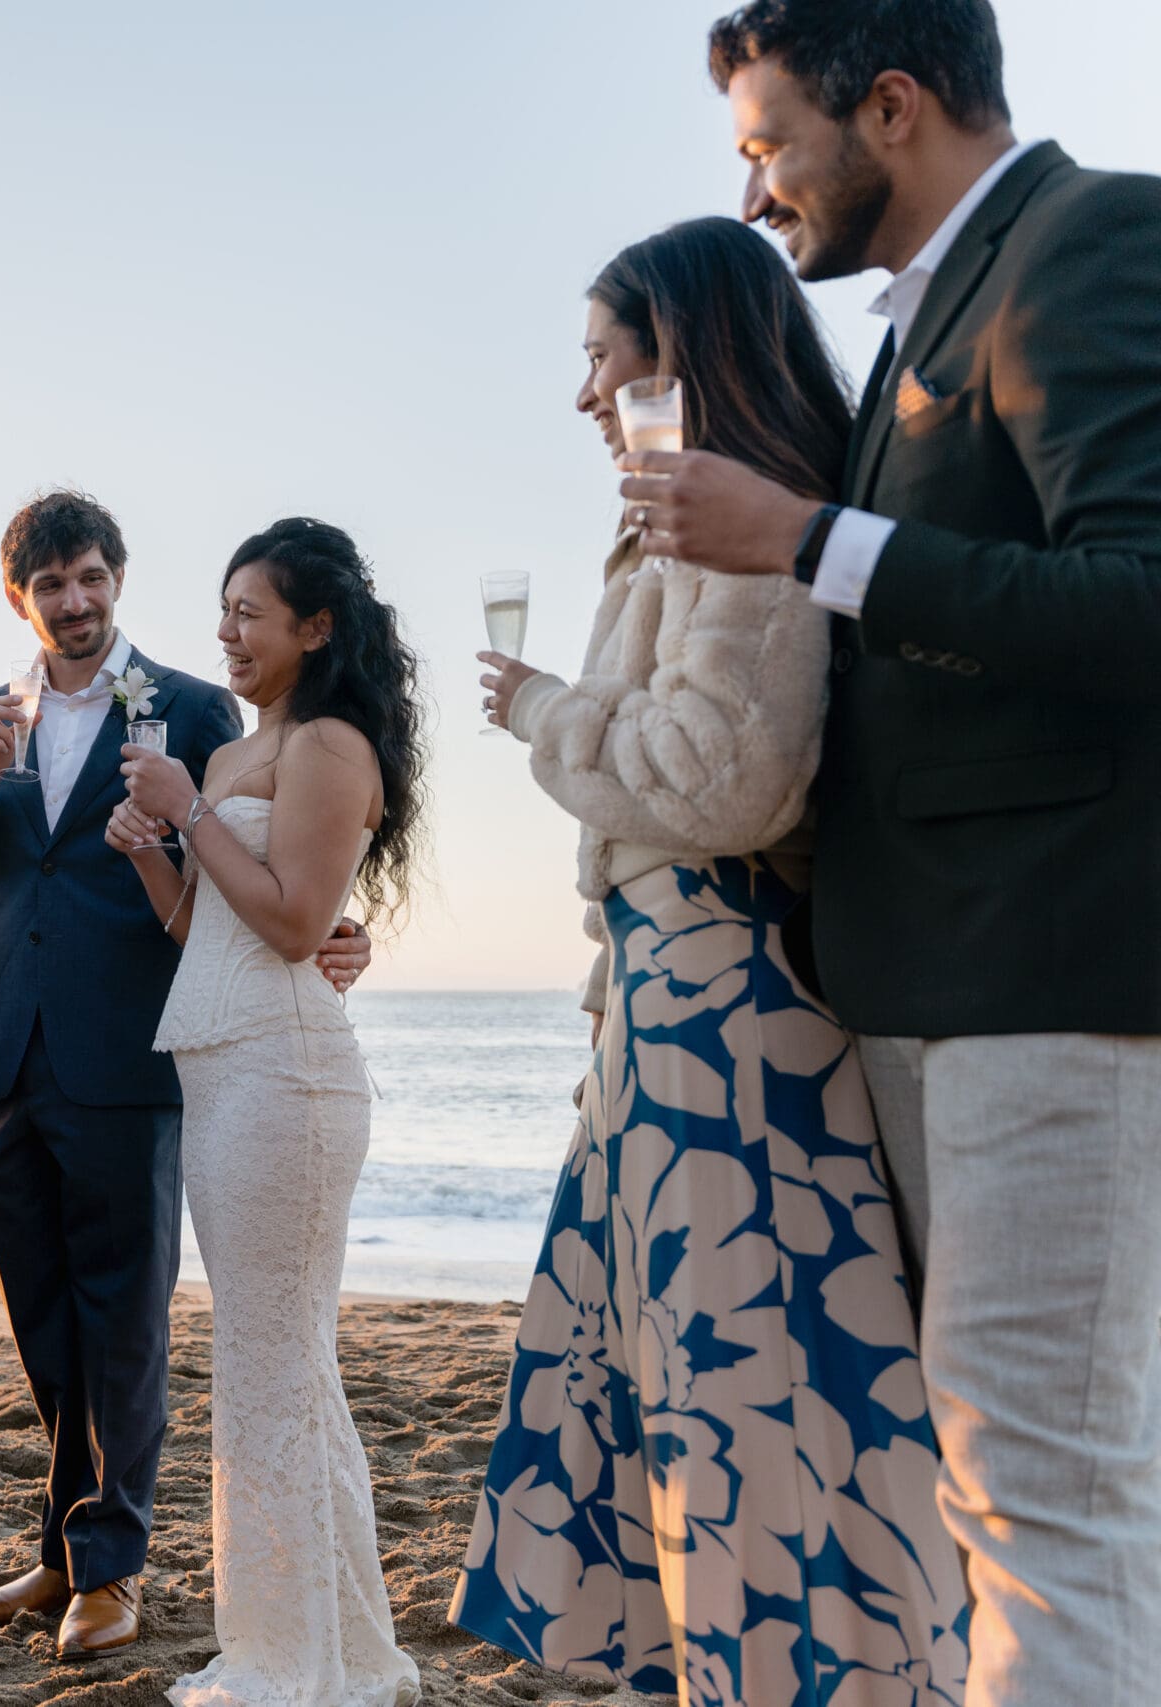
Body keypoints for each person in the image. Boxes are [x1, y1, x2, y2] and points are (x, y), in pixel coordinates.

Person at [616, 5, 1161, 1700]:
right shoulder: (923, 324)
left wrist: (812, 543)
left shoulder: (1093, 244)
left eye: (771, 146)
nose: (760, 191)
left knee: (1047, 1501)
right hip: (937, 992)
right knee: (1014, 1497)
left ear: (896, 107)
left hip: (1054, 984)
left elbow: (1142, 598)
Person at [457, 217, 969, 1707]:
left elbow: (719, 779)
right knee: (692, 1399)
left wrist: (548, 707)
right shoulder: (678, 536)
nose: (582, 394)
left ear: (671, 356)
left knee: (748, 1399)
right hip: (670, 1005)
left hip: (725, 1017)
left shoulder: (735, 533)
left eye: (599, 358)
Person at [0, 490, 370, 1660]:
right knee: (43, 1318)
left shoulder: (196, 705)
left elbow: (269, 851)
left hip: (134, 1050)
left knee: (122, 1317)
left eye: (90, 579)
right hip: (6, 1050)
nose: (73, 602)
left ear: (116, 578)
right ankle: (65, 1548)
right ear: (20, 596)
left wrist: (341, 931)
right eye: (50, 585)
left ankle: (110, 1566)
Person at [108, 517, 425, 1707]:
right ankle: (325, 1647)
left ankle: (297, 1663)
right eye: (224, 610)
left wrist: (186, 813)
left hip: (286, 1081)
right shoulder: (247, 749)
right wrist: (151, 849)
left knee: (273, 1364)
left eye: (251, 612)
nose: (228, 632)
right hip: (222, 1060)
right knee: (273, 1365)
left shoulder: (333, 745)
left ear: (315, 627)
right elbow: (208, 929)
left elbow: (296, 924)